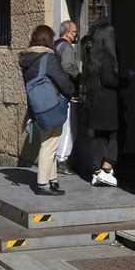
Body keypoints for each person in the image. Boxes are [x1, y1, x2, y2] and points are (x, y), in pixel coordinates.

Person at [19, 25, 74, 195]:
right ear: (48, 40)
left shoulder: (27, 59)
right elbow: (63, 82)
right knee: (50, 145)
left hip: (37, 107)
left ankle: (52, 179)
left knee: (48, 141)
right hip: (52, 106)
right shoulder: (47, 58)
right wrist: (71, 90)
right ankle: (43, 184)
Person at [81, 22, 120, 187]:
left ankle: (96, 171)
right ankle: (106, 169)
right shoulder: (107, 56)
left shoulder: (90, 54)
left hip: (94, 101)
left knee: (98, 137)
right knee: (112, 135)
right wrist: (122, 80)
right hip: (107, 103)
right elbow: (109, 81)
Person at [54, 20, 80, 175]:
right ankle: (62, 160)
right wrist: (79, 77)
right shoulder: (67, 48)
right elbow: (69, 68)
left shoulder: (55, 45)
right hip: (66, 93)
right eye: (75, 32)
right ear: (67, 33)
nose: (76, 35)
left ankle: (57, 158)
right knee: (69, 128)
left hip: (55, 94)